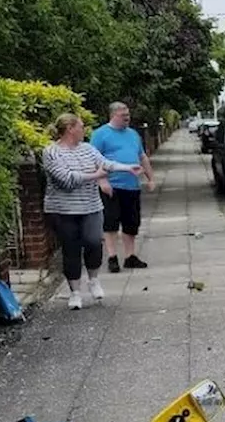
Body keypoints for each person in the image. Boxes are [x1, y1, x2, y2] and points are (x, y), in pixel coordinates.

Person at [41, 113, 142, 310]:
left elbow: (105, 163)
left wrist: (127, 167)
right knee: (71, 249)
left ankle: (93, 280)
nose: (83, 129)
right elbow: (66, 179)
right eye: (80, 126)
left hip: (91, 206)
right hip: (63, 209)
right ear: (70, 129)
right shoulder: (51, 152)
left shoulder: (87, 149)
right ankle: (75, 293)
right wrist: (96, 175)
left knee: (94, 242)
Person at [91, 101, 155, 273]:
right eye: (123, 115)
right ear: (113, 115)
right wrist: (102, 181)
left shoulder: (133, 134)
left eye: (128, 115)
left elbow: (142, 157)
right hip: (112, 185)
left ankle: (130, 256)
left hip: (132, 186)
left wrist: (150, 178)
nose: (127, 118)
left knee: (131, 222)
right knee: (110, 222)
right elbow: (92, 160)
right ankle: (112, 257)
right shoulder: (100, 134)